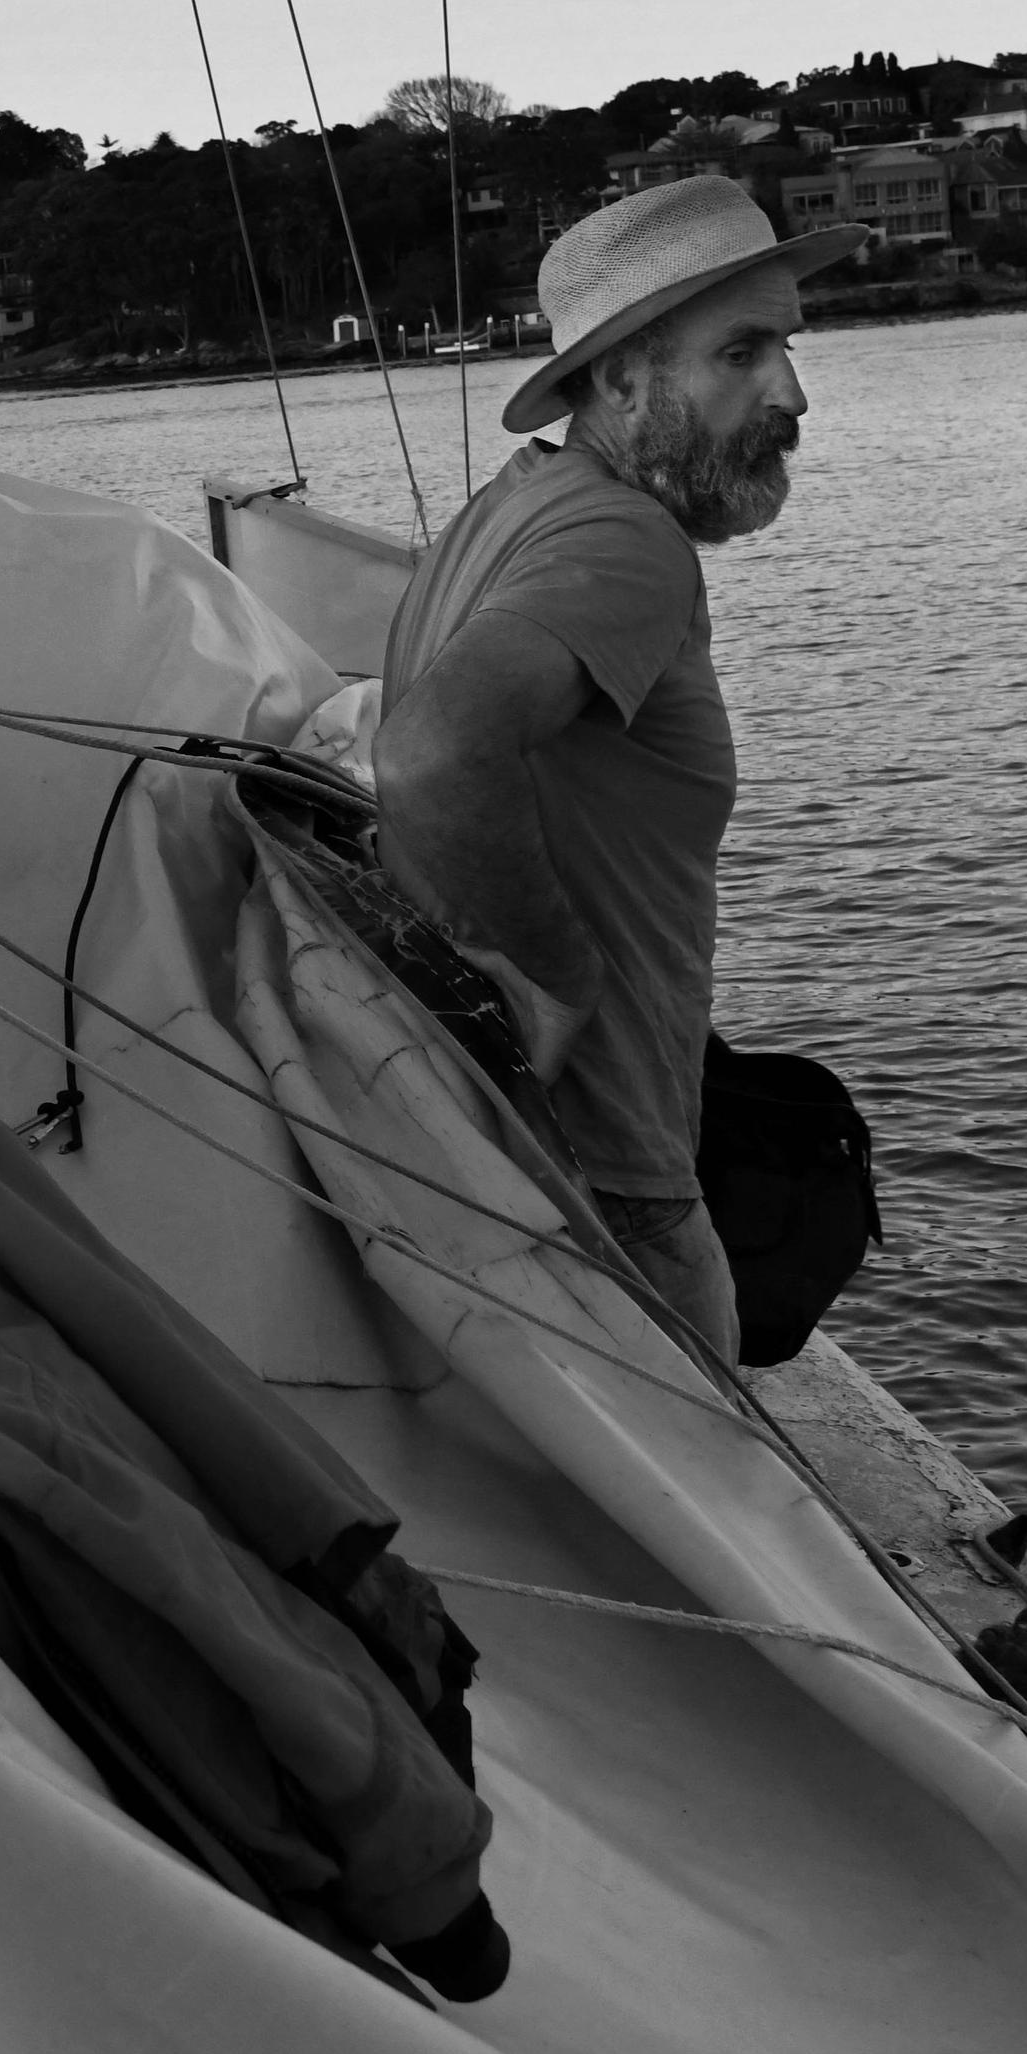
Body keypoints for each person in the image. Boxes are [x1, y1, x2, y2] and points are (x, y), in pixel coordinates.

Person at [375, 179, 858, 1360]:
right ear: (618, 379)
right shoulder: (623, 542)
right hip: (609, 1167)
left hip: (522, 1126)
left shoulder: (514, 509)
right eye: (738, 353)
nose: (788, 392)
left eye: (785, 346)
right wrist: (554, 976)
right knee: (723, 1493)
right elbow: (432, 753)